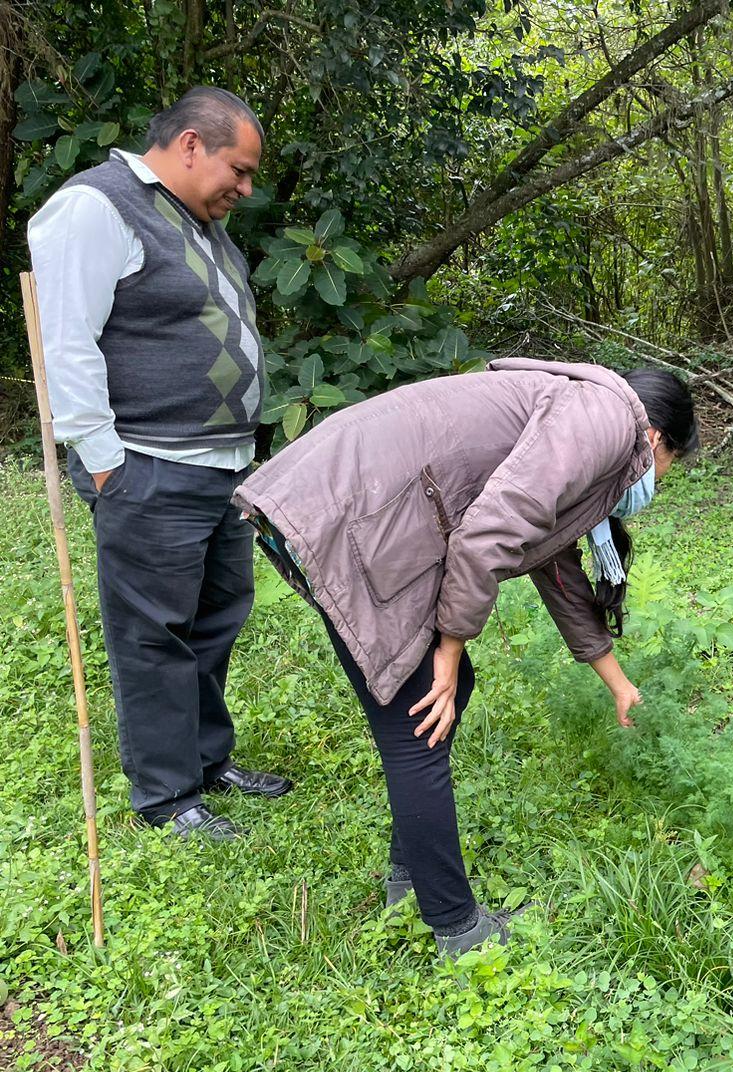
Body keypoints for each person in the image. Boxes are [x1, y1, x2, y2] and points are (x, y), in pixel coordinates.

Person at [234, 359, 697, 956]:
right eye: (671, 466)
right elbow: (489, 533)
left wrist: (615, 679)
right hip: (350, 509)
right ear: (657, 437)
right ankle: (456, 926)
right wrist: (450, 647)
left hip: (361, 507)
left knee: (435, 704)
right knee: (419, 717)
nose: (661, 480)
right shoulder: (606, 419)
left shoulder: (589, 415)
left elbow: (549, 557)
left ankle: (409, 881)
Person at [27, 86, 292, 841]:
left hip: (220, 468)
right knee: (154, 633)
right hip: (148, 465)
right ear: (189, 146)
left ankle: (206, 763)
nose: (245, 187)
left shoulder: (198, 219)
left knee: (215, 619)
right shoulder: (95, 207)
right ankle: (169, 799)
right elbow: (68, 342)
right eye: (237, 170)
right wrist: (107, 464)